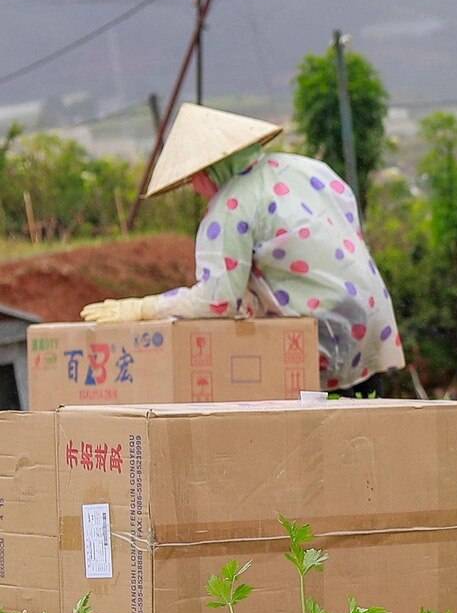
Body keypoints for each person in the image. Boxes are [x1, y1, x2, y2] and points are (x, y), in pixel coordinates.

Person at [79, 103, 405, 396]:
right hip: (366, 320)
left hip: (317, 341)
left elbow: (218, 300)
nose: (194, 188)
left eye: (194, 178)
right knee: (365, 431)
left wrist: (147, 308)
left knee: (327, 446)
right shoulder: (309, 170)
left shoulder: (233, 206)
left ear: (211, 169)